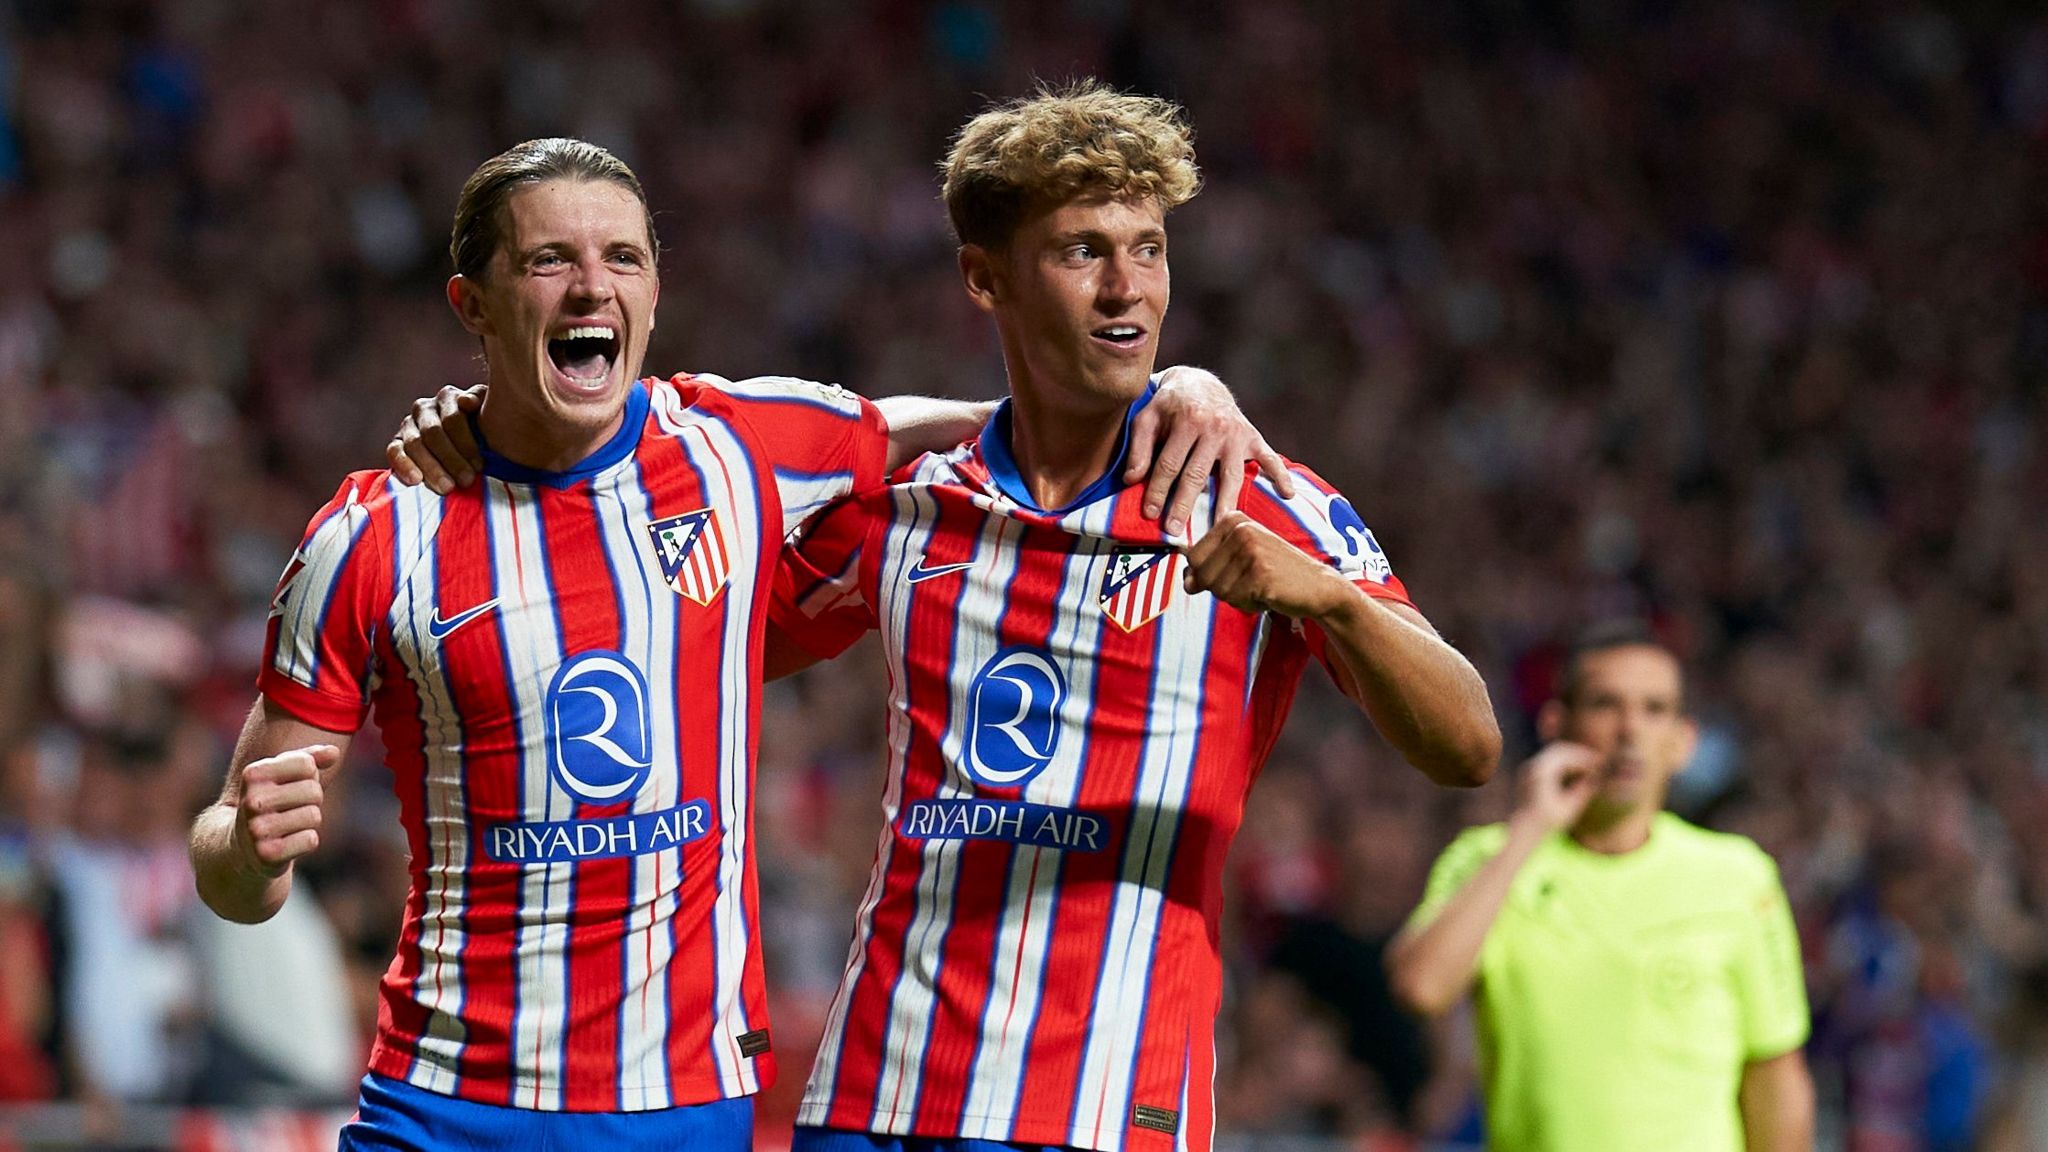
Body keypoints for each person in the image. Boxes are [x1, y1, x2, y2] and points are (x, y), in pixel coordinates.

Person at [188, 137, 1275, 1152]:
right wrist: (246, 849)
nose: (589, 287)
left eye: (621, 257)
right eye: (549, 261)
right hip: (442, 1101)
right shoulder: (376, 532)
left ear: (655, 292)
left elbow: (974, 422)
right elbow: (235, 856)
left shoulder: (729, 450)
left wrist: (1177, 390)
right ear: (472, 304)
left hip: (687, 1106)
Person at [762, 82, 1501, 1152]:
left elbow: (1469, 742)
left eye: (1147, 248)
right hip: (879, 1094)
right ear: (985, 278)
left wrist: (1331, 600)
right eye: (1080, 251)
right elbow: (702, 641)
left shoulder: (1251, 494)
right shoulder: (911, 506)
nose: (1128, 289)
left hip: (1112, 1107)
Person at [1385, 624, 1816, 1152]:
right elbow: (1419, 987)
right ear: (1556, 724)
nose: (1630, 730)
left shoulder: (1738, 877)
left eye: (1655, 709)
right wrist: (1530, 827)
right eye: (1605, 705)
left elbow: (1776, 1084)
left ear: (1683, 742)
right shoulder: (1488, 858)